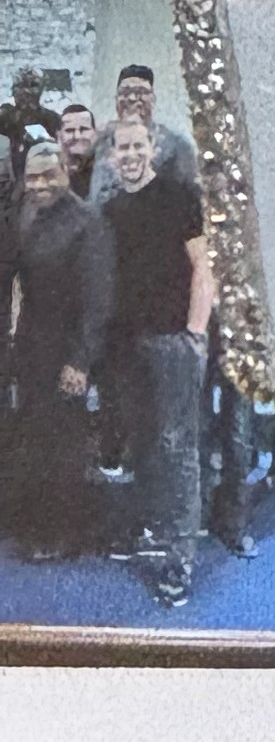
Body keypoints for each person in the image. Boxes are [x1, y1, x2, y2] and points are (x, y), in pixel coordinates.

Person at [100, 100, 211, 606]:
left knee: (177, 447)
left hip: (173, 342)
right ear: (111, 157)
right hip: (127, 345)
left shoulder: (179, 196)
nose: (129, 154)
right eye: (121, 147)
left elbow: (202, 266)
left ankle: (179, 560)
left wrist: (196, 330)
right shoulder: (110, 211)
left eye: (137, 145)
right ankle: (155, 530)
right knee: (143, 443)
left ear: (153, 148)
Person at [2, 134, 110, 561]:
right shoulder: (27, 210)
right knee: (34, 437)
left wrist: (80, 362)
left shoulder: (87, 221)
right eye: (32, 178)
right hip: (31, 343)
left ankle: (64, 534)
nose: (40, 184)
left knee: (65, 443)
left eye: (48, 175)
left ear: (65, 172)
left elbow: (98, 301)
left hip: (68, 348)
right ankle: (35, 526)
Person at [88, 66, 194, 203]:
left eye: (141, 92)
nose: (132, 98)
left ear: (153, 99)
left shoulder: (177, 146)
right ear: (116, 100)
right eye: (125, 92)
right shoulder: (100, 144)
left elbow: (189, 197)